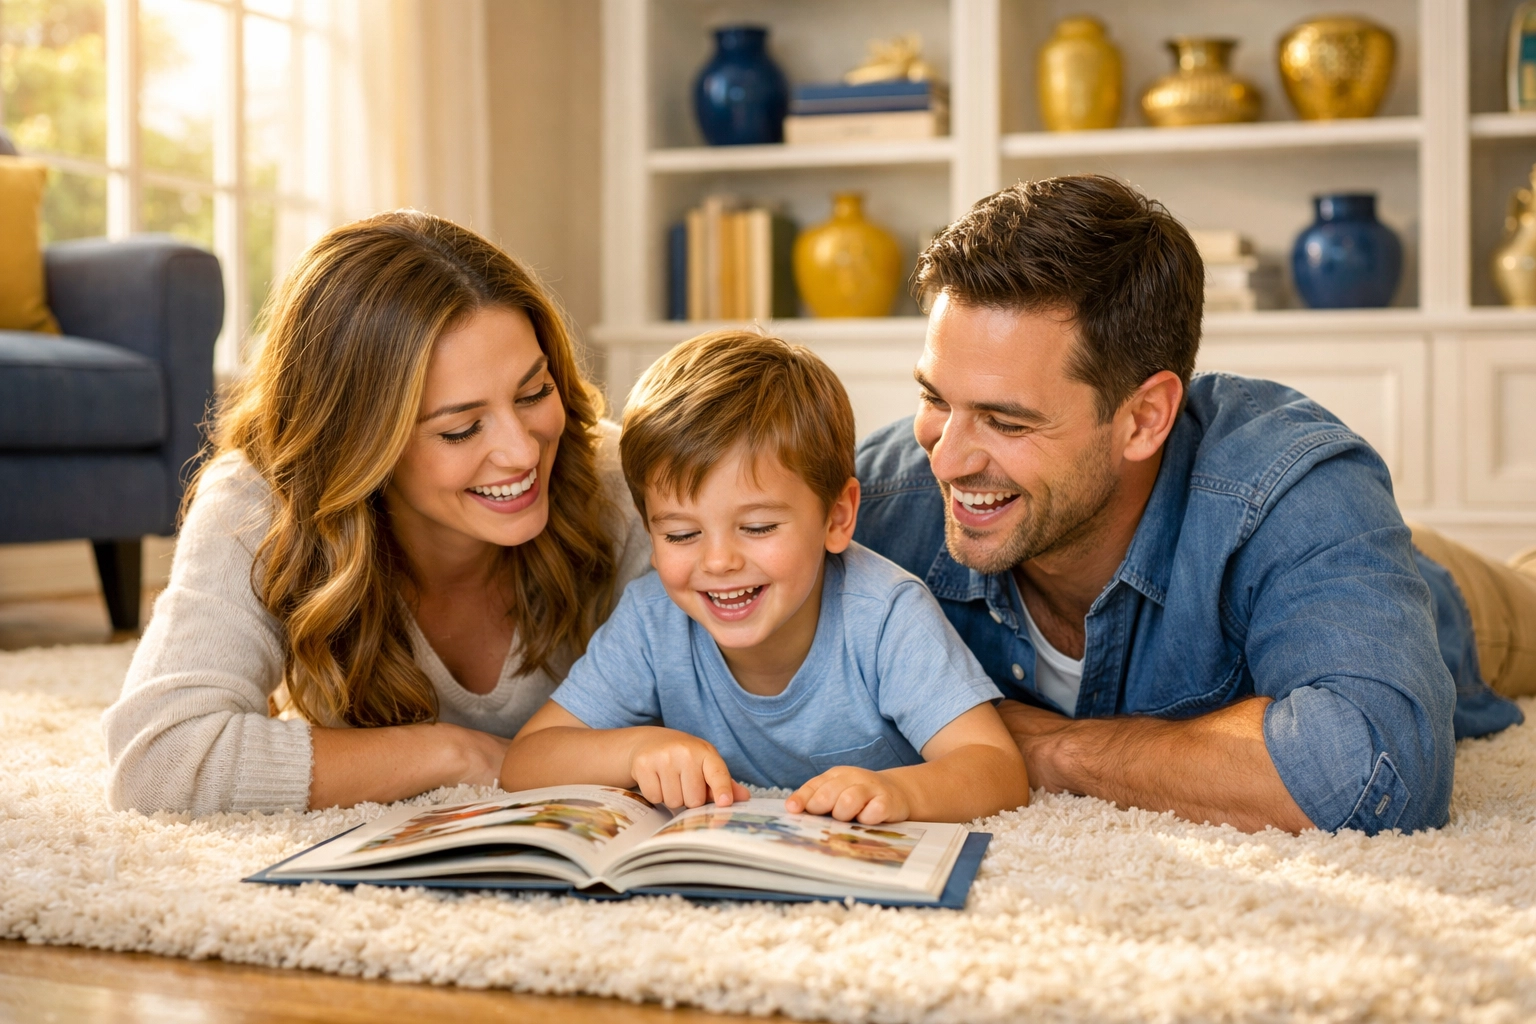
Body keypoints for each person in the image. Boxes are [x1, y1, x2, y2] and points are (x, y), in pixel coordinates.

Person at [853, 175, 1529, 836]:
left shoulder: (1290, 487)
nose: (946, 459)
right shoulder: (878, 500)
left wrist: (1047, 747)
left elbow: (1374, 774)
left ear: (1145, 417)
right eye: (937, 399)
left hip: (1446, 597)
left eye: (1007, 422)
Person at [102, 211, 652, 815]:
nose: (523, 450)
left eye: (533, 393)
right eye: (461, 429)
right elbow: (159, 761)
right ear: (361, 443)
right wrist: (458, 755)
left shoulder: (616, 480)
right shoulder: (260, 502)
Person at [500, 331, 1029, 825]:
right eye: (681, 535)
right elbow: (526, 760)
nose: (718, 561)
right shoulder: (651, 618)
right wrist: (636, 750)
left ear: (838, 517)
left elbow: (997, 769)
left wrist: (904, 793)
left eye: (756, 527)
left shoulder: (886, 613)